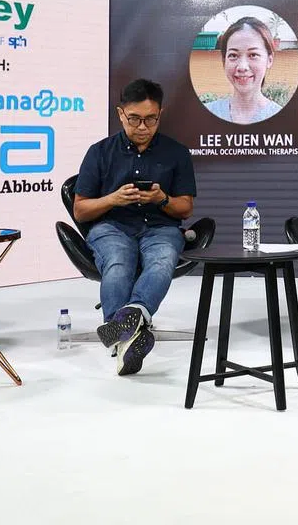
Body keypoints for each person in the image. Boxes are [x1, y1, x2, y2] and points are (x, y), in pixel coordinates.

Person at [75, 78, 196, 376]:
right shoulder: (99, 152)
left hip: (160, 227)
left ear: (160, 114)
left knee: (162, 259)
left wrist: (161, 198)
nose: (143, 127)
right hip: (111, 227)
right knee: (118, 262)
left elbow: (185, 208)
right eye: (134, 119)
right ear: (120, 114)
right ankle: (128, 336)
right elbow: (80, 210)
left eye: (150, 119)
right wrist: (113, 199)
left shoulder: (177, 153)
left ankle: (124, 326)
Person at [204, 16, 284, 124]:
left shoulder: (285, 120)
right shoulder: (205, 114)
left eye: (253, 55)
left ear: (269, 60)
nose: (242, 67)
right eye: (233, 55)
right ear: (224, 60)